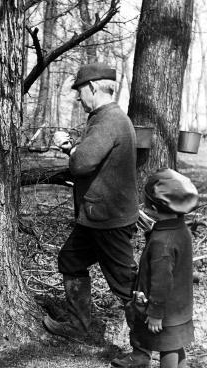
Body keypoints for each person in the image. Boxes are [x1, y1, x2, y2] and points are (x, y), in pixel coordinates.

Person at [44, 63, 140, 345]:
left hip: (109, 220)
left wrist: (69, 149)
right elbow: (93, 155)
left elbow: (83, 163)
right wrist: (72, 148)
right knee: (71, 260)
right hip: (98, 216)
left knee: (126, 285)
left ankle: (144, 348)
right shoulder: (108, 118)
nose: (78, 98)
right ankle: (79, 326)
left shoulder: (108, 120)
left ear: (93, 88)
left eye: (80, 91)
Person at [111, 168, 198, 368]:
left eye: (146, 204)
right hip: (180, 307)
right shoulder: (180, 229)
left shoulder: (162, 243)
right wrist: (153, 231)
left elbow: (161, 281)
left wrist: (155, 313)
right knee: (176, 346)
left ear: (155, 209)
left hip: (165, 309)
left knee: (167, 348)